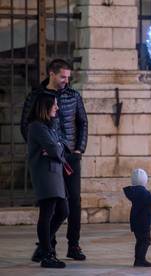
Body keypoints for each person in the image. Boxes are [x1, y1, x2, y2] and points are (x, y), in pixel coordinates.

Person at [21, 59, 88, 261]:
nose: (66, 81)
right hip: (49, 158)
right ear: (51, 73)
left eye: (68, 77)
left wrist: (78, 150)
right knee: (53, 206)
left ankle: (73, 246)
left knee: (73, 202)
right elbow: (26, 125)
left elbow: (83, 122)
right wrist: (41, 145)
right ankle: (48, 246)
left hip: (70, 156)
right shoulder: (36, 96)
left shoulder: (73, 96)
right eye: (62, 77)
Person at [27, 93, 69, 268]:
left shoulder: (49, 125)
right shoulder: (37, 127)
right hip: (45, 175)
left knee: (63, 211)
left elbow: (62, 145)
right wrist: (57, 147)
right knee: (47, 214)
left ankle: (43, 247)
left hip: (55, 174)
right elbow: (54, 148)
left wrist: (57, 147)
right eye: (54, 105)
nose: (57, 108)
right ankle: (47, 255)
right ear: (45, 107)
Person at [123, 169, 151, 267]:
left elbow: (148, 199)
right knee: (146, 240)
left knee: (140, 241)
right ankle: (140, 260)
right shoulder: (142, 192)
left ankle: (138, 259)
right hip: (142, 222)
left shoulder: (135, 192)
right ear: (144, 180)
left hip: (136, 221)